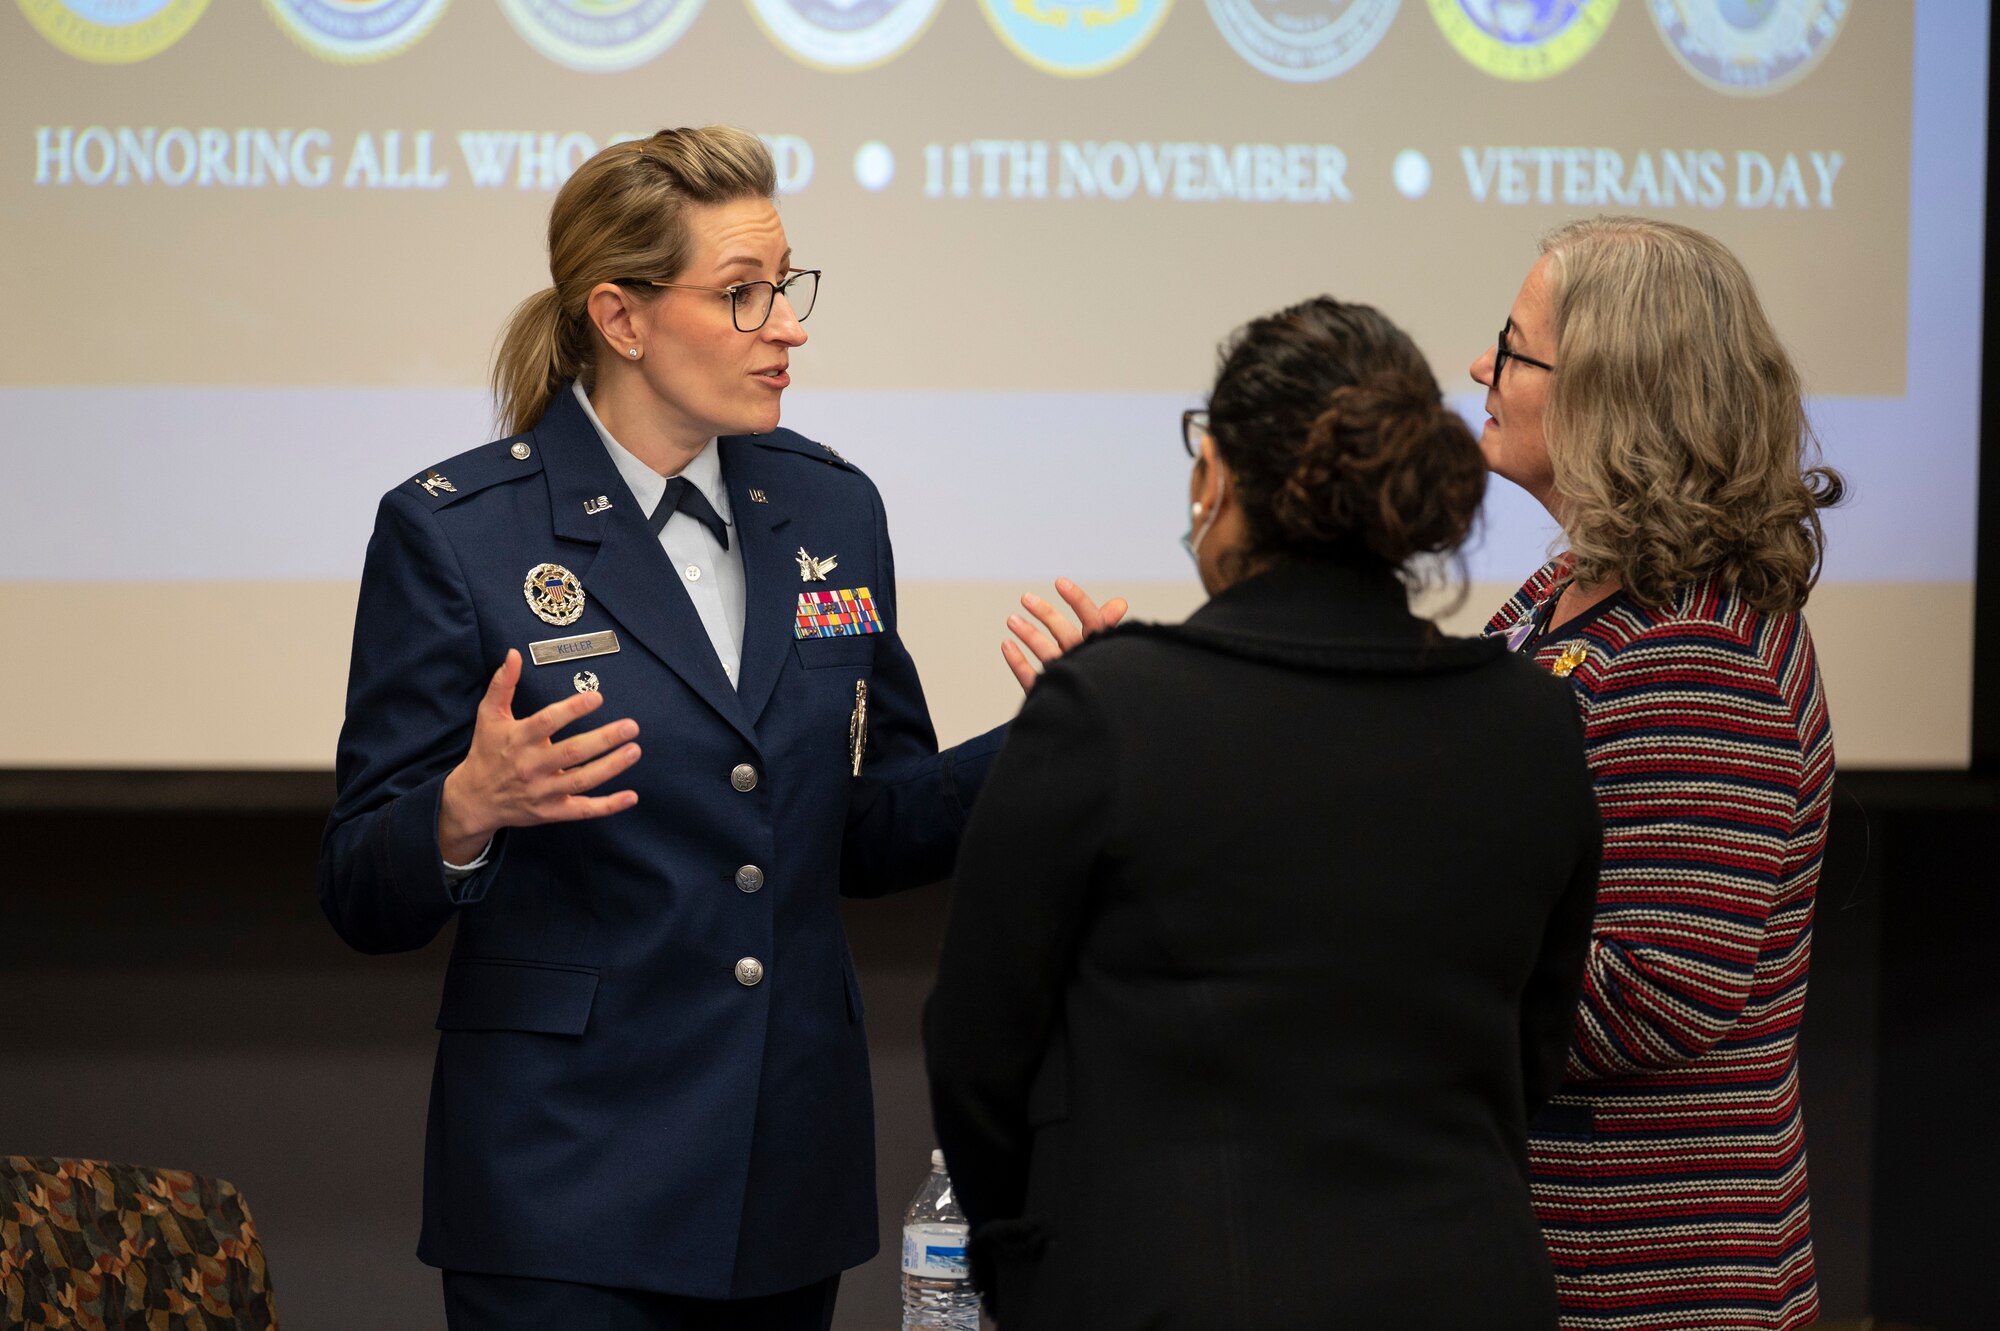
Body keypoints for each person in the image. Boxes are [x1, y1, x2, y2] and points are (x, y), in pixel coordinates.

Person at [318, 126, 1121, 1330]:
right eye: (741, 295)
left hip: (779, 1173)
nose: (787, 324)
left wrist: (1051, 731)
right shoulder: (460, 535)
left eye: (785, 285)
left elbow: (866, 826)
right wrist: (462, 810)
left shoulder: (830, 508)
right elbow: (358, 887)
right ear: (621, 318)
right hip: (564, 1186)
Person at [923, 297, 1604, 1330]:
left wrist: (1026, 1256)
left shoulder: (1107, 710)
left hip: (1169, 1289)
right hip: (1467, 1280)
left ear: (1217, 477)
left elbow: (976, 1047)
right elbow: (1529, 1051)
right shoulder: (1530, 720)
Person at [1472, 216, 1842, 1330]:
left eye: (1512, 347)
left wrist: (1398, 967)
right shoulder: (1561, 595)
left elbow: (1651, 994)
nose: (1477, 369)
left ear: (1611, 393)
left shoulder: (1700, 650)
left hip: (1639, 1274)